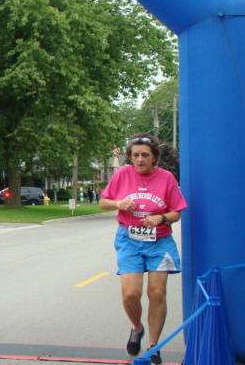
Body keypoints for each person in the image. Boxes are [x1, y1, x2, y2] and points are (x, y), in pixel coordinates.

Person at [99, 133, 187, 364]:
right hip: (129, 239)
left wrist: (160, 218)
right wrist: (119, 203)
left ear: (154, 157)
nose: (140, 159)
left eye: (145, 155)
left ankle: (154, 346)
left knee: (157, 293)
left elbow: (176, 212)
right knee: (131, 293)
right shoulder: (122, 174)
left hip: (160, 241)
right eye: (136, 155)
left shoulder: (166, 178)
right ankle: (137, 328)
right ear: (130, 157)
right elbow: (103, 202)